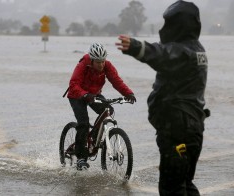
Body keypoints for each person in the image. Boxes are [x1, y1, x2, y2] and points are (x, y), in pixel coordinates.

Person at [116, 1, 210, 195]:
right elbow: (167, 53)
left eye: (170, 23)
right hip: (191, 127)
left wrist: (136, 46)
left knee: (172, 187)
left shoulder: (184, 52)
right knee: (184, 183)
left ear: (179, 25)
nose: (164, 28)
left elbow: (164, 54)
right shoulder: (196, 49)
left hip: (178, 130)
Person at [66, 43, 136, 171]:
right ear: (92, 60)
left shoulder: (107, 66)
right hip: (76, 95)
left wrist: (128, 93)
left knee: (108, 110)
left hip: (94, 95)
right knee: (84, 123)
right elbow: (73, 84)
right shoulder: (83, 65)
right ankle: (81, 157)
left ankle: (94, 138)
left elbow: (116, 81)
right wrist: (85, 94)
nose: (101, 64)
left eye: (103, 61)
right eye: (98, 62)